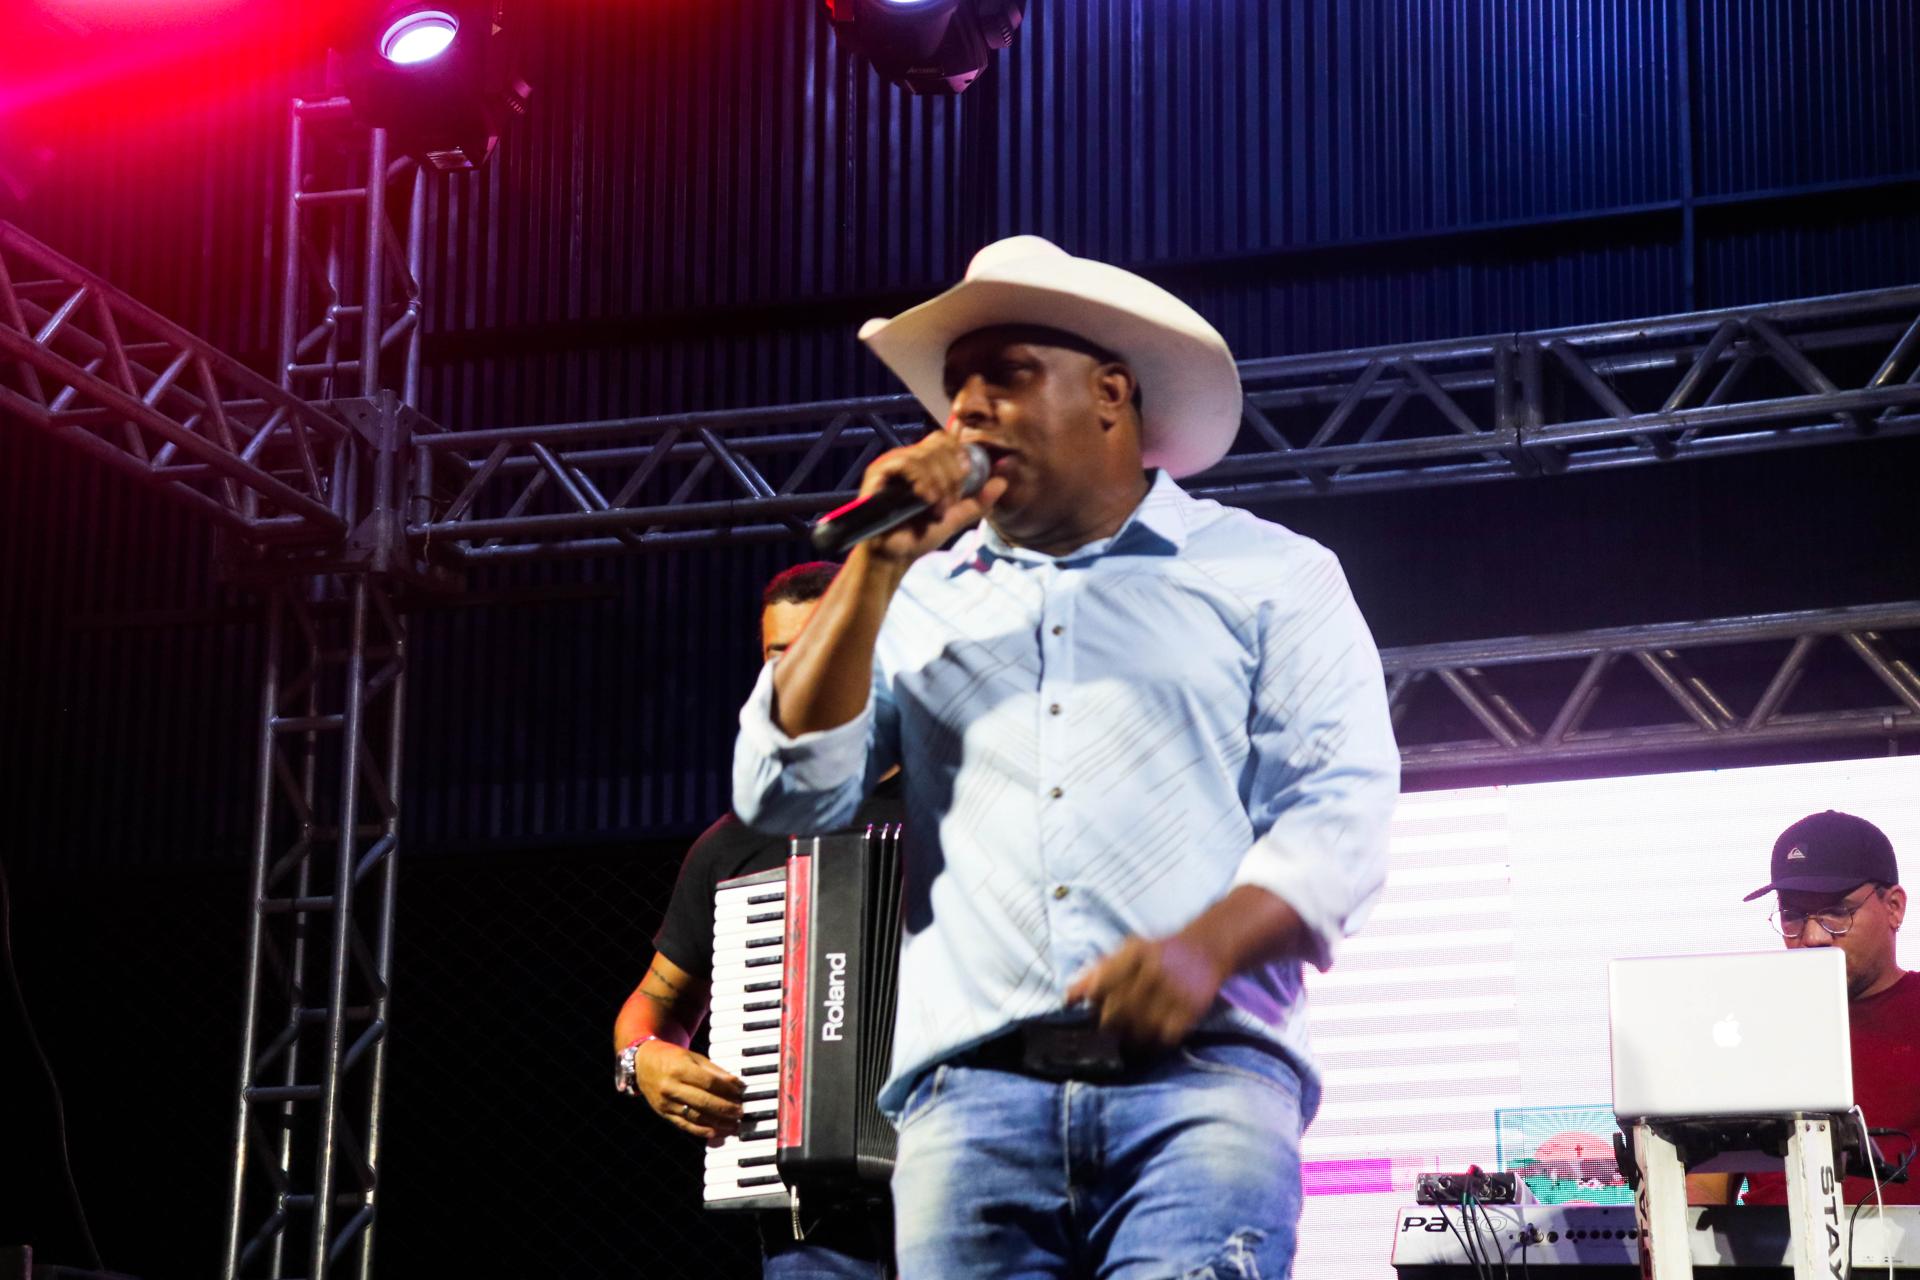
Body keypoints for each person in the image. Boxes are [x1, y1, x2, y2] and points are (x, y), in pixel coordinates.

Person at [732, 235, 1400, 1279]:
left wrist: (1204, 947)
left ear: (1110, 393)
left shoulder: (1267, 573)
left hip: (1203, 1079)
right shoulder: (916, 600)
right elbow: (783, 794)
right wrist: (876, 563)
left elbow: (1339, 809)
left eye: (1007, 375)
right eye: (956, 390)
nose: (968, 410)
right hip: (968, 1098)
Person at [614, 561, 904, 1278]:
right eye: (779, 655)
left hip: (978, 1204)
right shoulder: (737, 841)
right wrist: (642, 1059)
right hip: (814, 1232)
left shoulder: (972, 802)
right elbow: (654, 1004)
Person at [1691, 810, 1918, 1207]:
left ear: (1894, 907)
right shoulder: (1745, 1028)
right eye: (1793, 915)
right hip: (1768, 1247)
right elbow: (1705, 1183)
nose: (1812, 937)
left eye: (1837, 912)